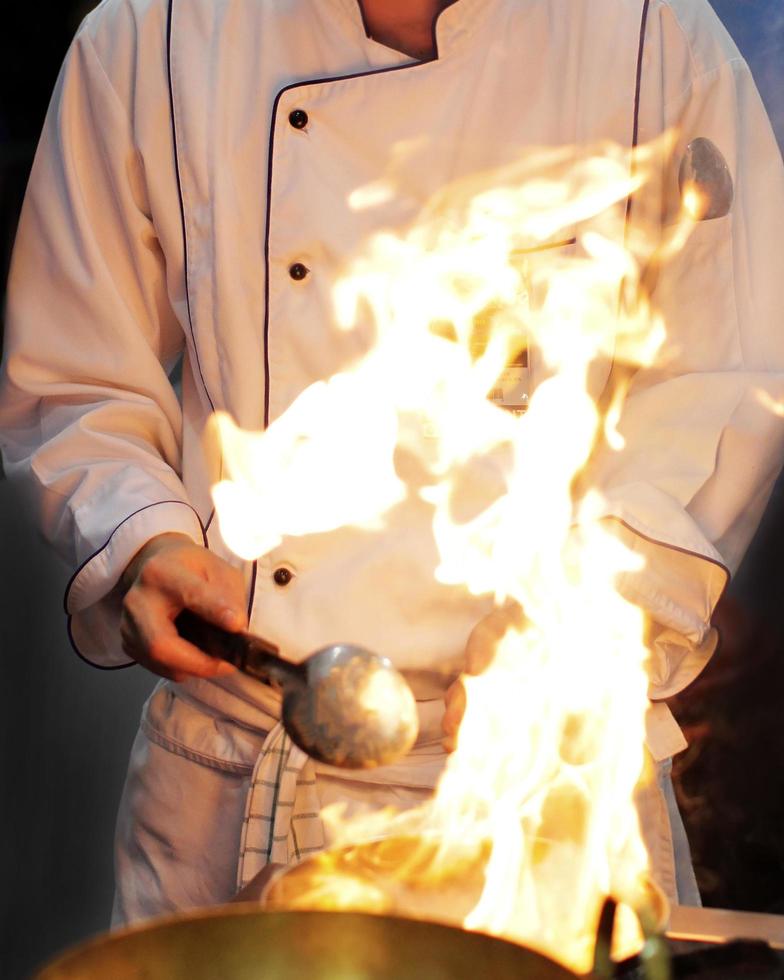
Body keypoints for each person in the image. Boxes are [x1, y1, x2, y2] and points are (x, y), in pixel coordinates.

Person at [1, 0, 783, 924]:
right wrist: (142, 540)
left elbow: (727, 374)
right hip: (243, 758)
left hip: (552, 781)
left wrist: (588, 617)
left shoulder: (655, 35)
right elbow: (75, 374)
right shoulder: (152, 35)